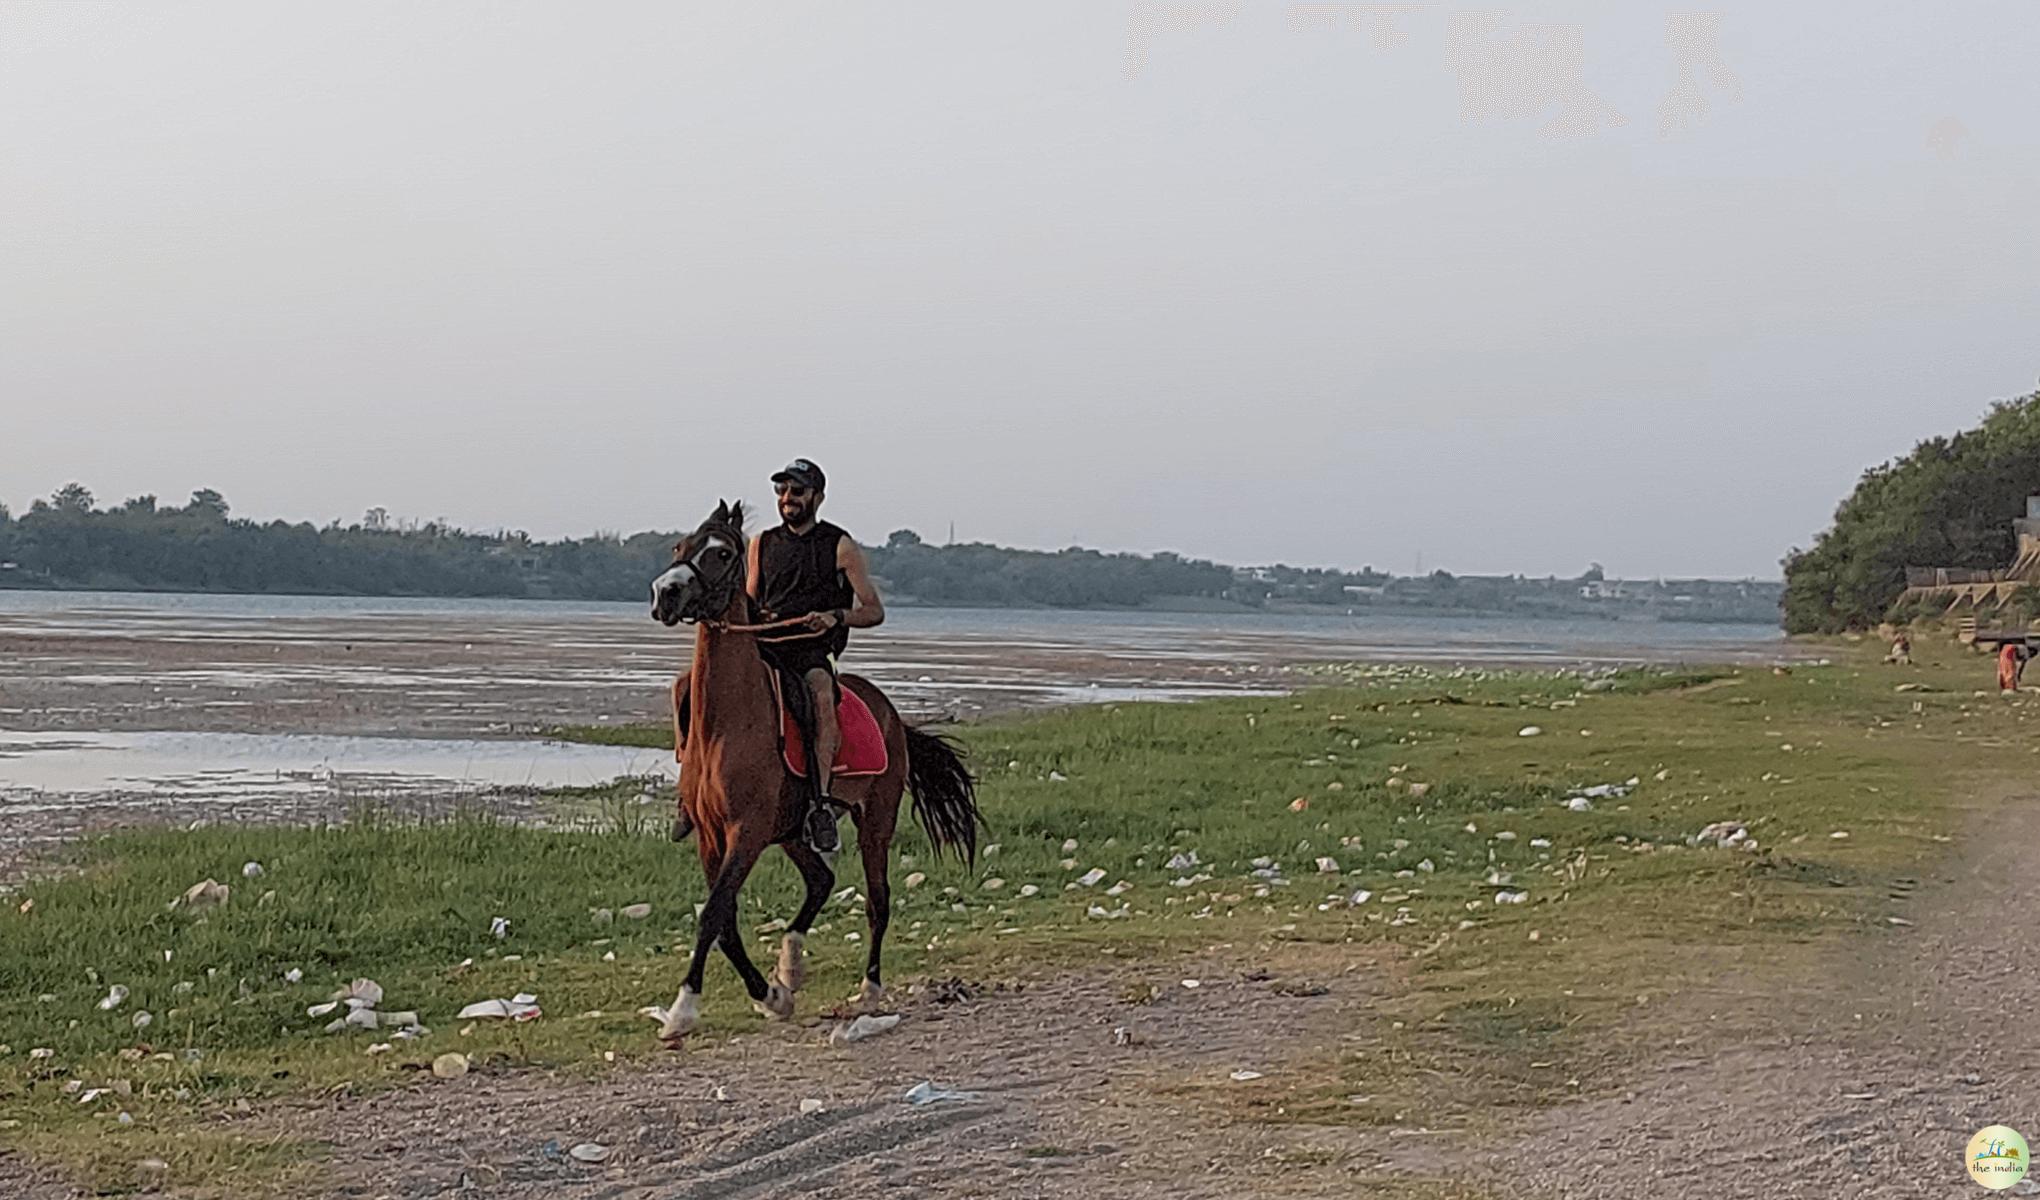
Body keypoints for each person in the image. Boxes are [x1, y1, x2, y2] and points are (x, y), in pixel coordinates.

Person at [671, 458, 885, 854]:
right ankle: (690, 791)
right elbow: (752, 598)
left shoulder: (840, 546)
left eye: (797, 491)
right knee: (686, 687)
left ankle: (820, 804)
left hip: (811, 650)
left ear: (817, 497)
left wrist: (835, 616)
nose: (788, 498)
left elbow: (874, 610)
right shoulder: (763, 543)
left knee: (821, 697)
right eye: (782, 491)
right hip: (765, 644)